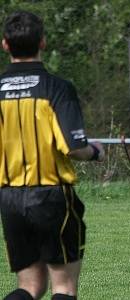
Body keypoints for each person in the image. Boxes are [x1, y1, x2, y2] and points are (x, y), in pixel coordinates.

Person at [0, 11, 105, 299]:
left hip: (9, 198)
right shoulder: (56, 88)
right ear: (43, 42)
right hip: (50, 195)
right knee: (63, 287)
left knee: (30, 286)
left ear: (5, 45)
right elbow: (74, 147)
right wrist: (95, 151)